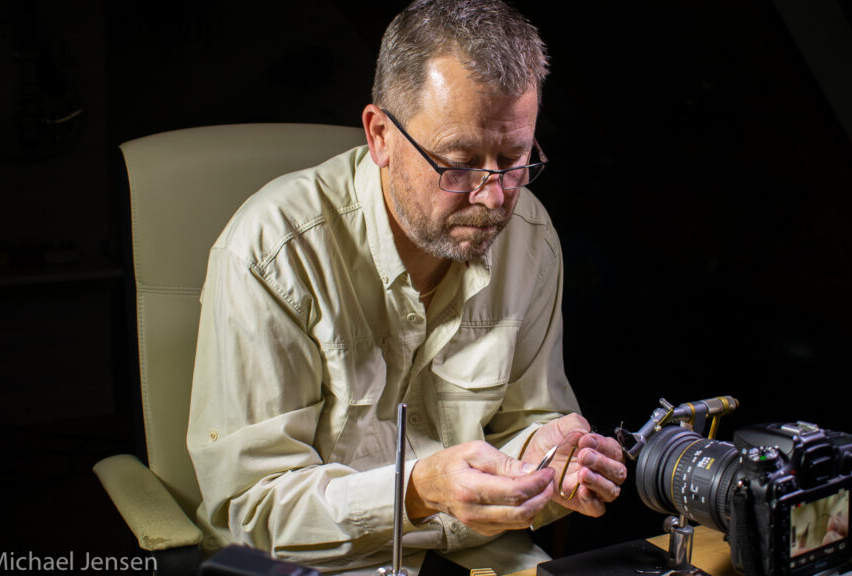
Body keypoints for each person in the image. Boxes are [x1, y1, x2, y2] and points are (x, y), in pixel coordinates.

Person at [187, 0, 626, 573]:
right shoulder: (274, 250)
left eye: (514, 159)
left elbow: (530, 422)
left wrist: (551, 462)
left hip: (485, 555)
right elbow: (251, 511)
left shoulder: (531, 235)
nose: (494, 198)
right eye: (461, 162)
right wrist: (418, 491)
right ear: (380, 137)